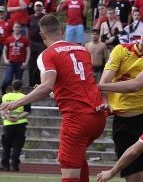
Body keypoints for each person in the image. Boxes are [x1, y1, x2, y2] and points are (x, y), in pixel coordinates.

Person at [0, 14, 107, 181]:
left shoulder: (47, 54)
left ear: (42, 36)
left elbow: (47, 85)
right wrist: (50, 91)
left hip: (77, 118)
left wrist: (17, 102)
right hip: (98, 116)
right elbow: (74, 85)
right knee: (77, 159)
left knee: (69, 173)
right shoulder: (82, 50)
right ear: (62, 30)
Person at [98, 15, 143, 182]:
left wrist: (96, 87)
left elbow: (135, 85)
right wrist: (105, 102)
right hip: (121, 123)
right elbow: (105, 81)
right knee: (134, 178)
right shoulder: (120, 49)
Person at [1, 80, 29, 172]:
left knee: (6, 146)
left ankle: (5, 166)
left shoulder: (5, 96)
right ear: (21, 87)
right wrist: (17, 117)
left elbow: (1, 109)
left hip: (8, 124)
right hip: (20, 124)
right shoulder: (24, 97)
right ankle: (15, 166)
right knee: (17, 146)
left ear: (12, 87)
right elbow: (27, 111)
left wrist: (7, 116)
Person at [1, 23, 30, 94]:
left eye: (19, 27)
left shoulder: (25, 39)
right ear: (13, 28)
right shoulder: (9, 39)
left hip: (20, 63)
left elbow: (28, 51)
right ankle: (3, 93)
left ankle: (16, 96)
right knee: (8, 79)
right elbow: (5, 50)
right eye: (16, 27)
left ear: (21, 29)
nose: (17, 29)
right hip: (11, 62)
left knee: (18, 81)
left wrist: (26, 62)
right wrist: (5, 59)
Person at [27, 1, 46, 87]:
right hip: (32, 43)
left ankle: (38, 83)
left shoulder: (45, 17)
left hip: (41, 43)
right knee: (31, 64)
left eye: (40, 7)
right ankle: (31, 83)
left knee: (39, 64)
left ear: (42, 8)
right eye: (36, 6)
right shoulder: (30, 17)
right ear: (34, 8)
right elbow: (27, 28)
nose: (38, 8)